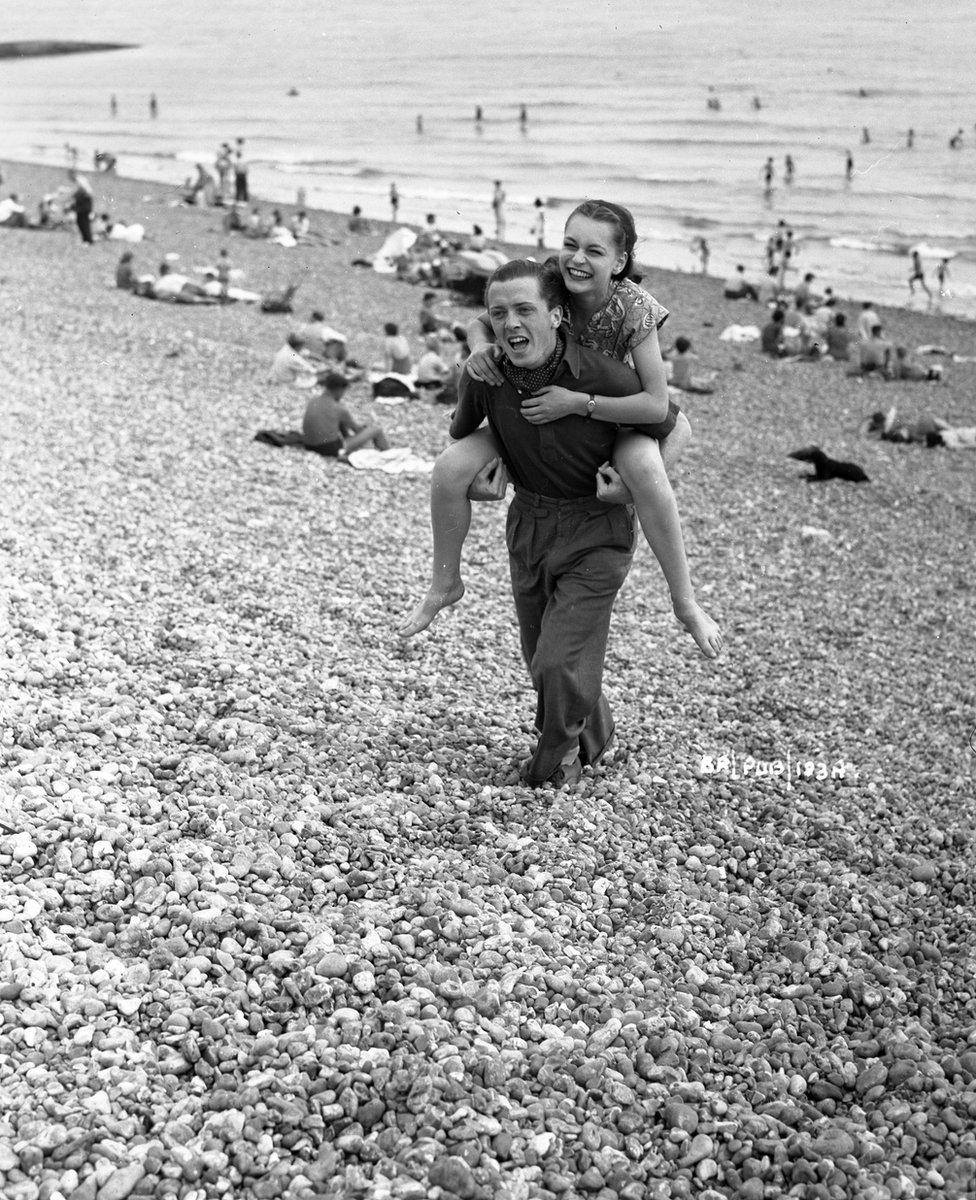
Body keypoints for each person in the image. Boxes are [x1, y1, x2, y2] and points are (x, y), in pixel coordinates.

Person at [400, 199, 722, 659]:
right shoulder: (553, 282)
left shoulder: (634, 309)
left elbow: (656, 405)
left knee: (646, 471)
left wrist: (578, 403)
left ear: (620, 262)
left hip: (617, 413)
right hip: (542, 411)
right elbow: (483, 317)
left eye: (594, 251)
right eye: (571, 244)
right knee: (450, 467)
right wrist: (476, 349)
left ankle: (685, 602)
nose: (578, 258)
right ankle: (444, 581)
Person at [446, 259, 694, 787]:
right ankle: (596, 735)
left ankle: (552, 760)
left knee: (557, 661)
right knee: (540, 655)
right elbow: (462, 436)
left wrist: (637, 484)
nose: (512, 322)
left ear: (557, 315)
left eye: (525, 310)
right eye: (500, 314)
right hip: (529, 524)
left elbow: (672, 423)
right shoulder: (488, 371)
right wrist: (474, 483)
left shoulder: (604, 377)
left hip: (597, 531)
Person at [303, 372, 389, 459]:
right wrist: (365, 428)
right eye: (343, 392)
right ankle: (388, 454)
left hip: (309, 446)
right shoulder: (339, 408)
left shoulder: (313, 401)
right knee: (376, 430)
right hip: (329, 449)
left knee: (342, 427)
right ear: (339, 390)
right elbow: (356, 430)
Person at [67, 170, 94, 244]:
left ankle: (88, 240)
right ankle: (85, 240)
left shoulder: (79, 180)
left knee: (83, 222)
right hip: (84, 202)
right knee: (80, 221)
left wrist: (72, 197)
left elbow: (83, 191)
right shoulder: (80, 180)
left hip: (84, 202)